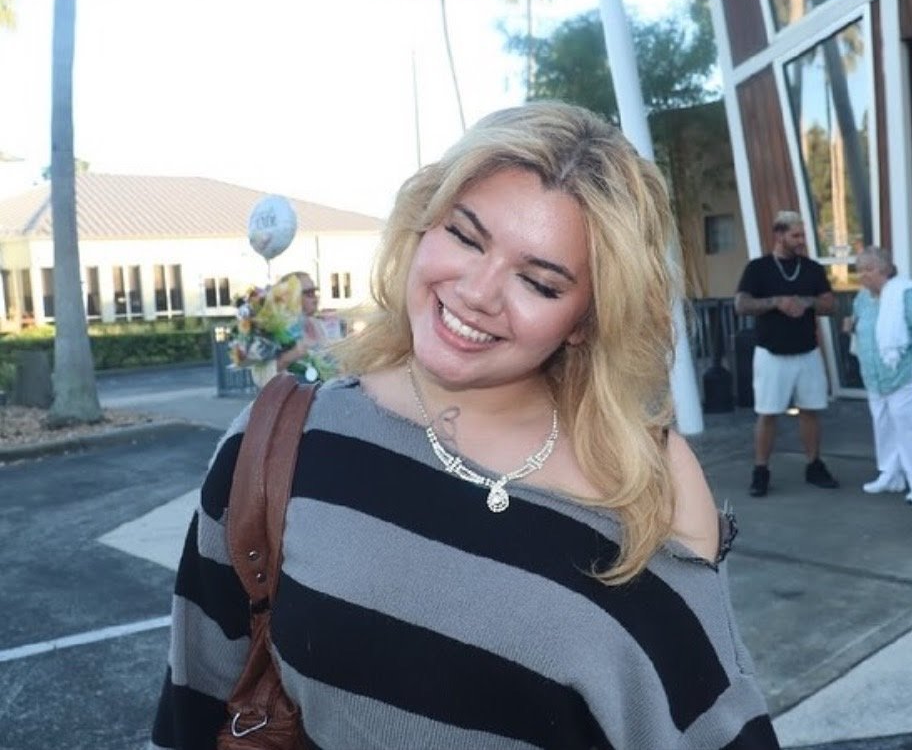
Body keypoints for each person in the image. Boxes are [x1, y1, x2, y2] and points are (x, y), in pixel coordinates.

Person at [151, 102, 781, 749]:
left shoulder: (648, 480)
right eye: (466, 237)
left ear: (586, 321)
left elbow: (713, 728)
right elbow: (195, 710)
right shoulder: (279, 442)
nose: (478, 292)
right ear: (423, 224)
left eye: (539, 282)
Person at [734, 210, 838, 497]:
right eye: (796, 235)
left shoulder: (812, 268)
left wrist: (807, 302)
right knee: (767, 413)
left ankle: (814, 465)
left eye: (803, 235)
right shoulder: (758, 268)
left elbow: (830, 305)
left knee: (810, 411)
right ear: (779, 235)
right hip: (771, 354)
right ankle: (761, 471)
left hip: (807, 352)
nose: (801, 240)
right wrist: (776, 302)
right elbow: (741, 305)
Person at [844, 247, 912, 504]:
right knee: (884, 425)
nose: (863, 275)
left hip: (906, 373)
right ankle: (891, 475)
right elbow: (859, 323)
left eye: (869, 269)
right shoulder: (862, 298)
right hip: (875, 375)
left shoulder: (906, 293)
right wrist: (851, 326)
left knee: (911, 428)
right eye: (859, 270)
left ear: (885, 269)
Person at [249, 270, 338, 386]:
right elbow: (260, 377)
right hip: (291, 394)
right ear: (289, 296)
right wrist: (291, 355)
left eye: (315, 292)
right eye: (308, 293)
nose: (315, 298)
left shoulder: (317, 324)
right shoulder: (271, 329)